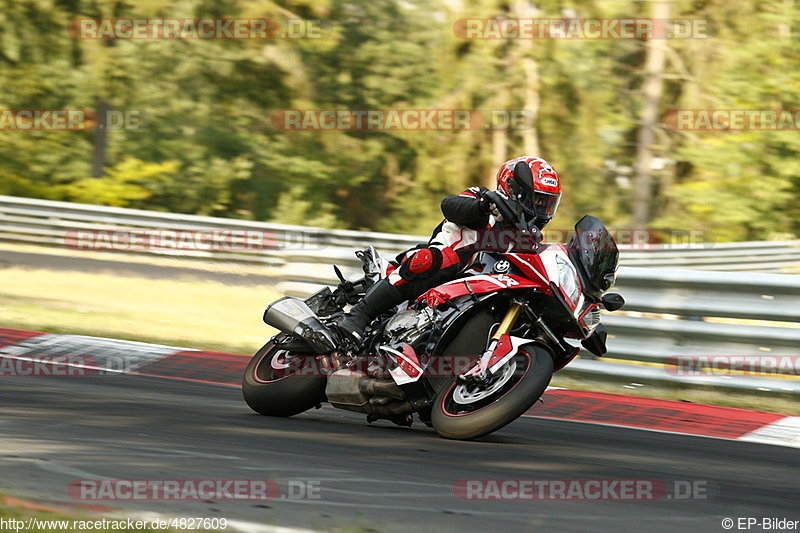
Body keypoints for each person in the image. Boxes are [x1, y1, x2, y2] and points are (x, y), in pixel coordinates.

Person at [334, 156, 562, 343]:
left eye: (547, 203)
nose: (542, 210)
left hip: (481, 285)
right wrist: (484, 206)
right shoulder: (483, 198)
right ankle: (358, 316)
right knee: (431, 259)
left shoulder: (530, 239)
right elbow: (450, 206)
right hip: (438, 267)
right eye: (538, 201)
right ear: (514, 189)